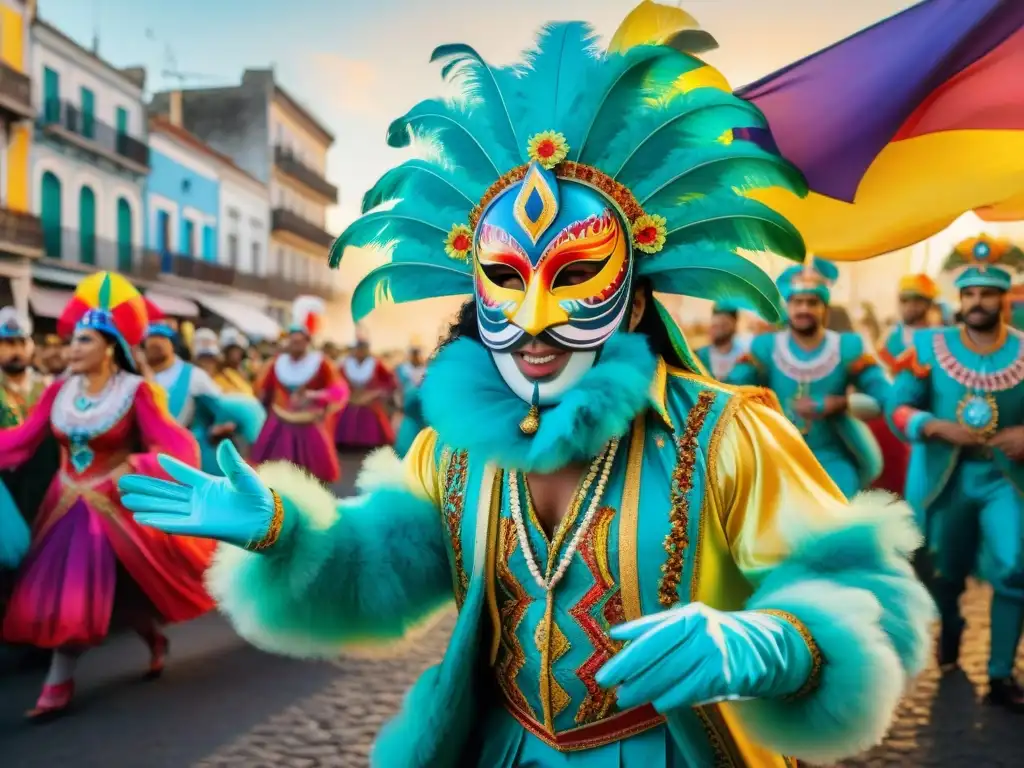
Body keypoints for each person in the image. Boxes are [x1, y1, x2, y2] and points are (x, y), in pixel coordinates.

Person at [120, 12, 933, 766]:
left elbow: (872, 591)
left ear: (637, 300)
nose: (534, 319)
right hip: (503, 746)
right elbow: (383, 570)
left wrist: (771, 642)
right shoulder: (455, 448)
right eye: (505, 280)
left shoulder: (724, 436)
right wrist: (285, 531)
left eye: (575, 276)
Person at [1, 272, 214, 719]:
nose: (70, 349)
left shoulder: (136, 393)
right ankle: (147, 641)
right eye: (72, 340)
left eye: (83, 341)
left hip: (115, 506)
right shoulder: (58, 391)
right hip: (64, 506)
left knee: (113, 587)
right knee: (105, 592)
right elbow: (21, 440)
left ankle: (58, 682)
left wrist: (134, 468)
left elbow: (178, 447)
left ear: (110, 346)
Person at [888, 234, 1024, 712]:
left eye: (988, 293)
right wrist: (934, 424)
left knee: (1017, 567)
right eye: (970, 294)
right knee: (942, 574)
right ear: (959, 300)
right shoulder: (929, 347)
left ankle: (1001, 673)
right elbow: (896, 409)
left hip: (1006, 482)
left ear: (1004, 297)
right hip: (946, 482)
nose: (979, 302)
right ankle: (952, 625)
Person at [727, 259, 891, 497]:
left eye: (812, 302)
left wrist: (841, 404)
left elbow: (884, 397)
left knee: (839, 520)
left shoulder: (847, 347)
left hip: (833, 459)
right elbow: (732, 390)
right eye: (797, 302)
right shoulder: (765, 347)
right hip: (775, 456)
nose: (803, 309)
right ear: (788, 307)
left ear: (825, 308)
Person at [144, 323, 265, 476]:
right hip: (144, 453)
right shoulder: (136, 374)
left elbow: (224, 408)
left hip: (182, 456)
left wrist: (218, 428)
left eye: (161, 339)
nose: (207, 364)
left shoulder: (195, 376)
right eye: (151, 339)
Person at [250, 296, 348, 484]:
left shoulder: (321, 364)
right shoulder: (276, 364)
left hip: (308, 425)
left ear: (307, 341)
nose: (295, 344)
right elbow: (263, 392)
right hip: (278, 424)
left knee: (310, 477)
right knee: (274, 476)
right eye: (292, 341)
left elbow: (339, 391)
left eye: (299, 341)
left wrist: (315, 395)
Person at [334, 334, 396, 450]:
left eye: (363, 349)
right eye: (358, 349)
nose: (360, 351)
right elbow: (337, 380)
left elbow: (390, 381)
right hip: (350, 399)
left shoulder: (376, 364)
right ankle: (345, 442)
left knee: (371, 417)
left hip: (370, 400)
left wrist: (376, 393)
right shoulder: (345, 364)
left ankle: (370, 442)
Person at [694, 301, 751, 380]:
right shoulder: (699, 355)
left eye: (724, 325)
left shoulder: (743, 358)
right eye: (715, 326)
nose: (718, 331)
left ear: (734, 325)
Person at [393, 339, 427, 458]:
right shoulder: (402, 370)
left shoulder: (428, 370)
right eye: (413, 353)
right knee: (405, 441)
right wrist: (399, 404)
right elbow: (397, 389)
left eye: (418, 353)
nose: (416, 356)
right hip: (407, 411)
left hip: (424, 413)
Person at [220, 326, 256, 394]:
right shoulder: (220, 375)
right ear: (226, 352)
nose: (236, 354)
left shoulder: (244, 374)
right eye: (232, 350)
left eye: (238, 350)